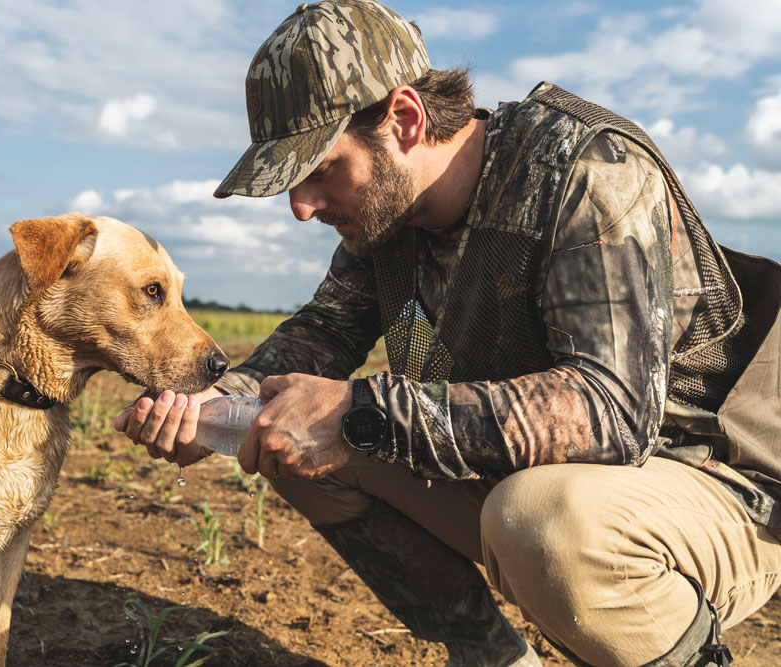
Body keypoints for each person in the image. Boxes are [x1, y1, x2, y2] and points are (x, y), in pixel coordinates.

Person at [114, 1, 781, 665]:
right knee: (284, 427)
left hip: (716, 483)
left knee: (540, 518)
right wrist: (220, 404)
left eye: (320, 170)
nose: (301, 207)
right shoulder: (387, 220)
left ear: (405, 119)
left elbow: (612, 412)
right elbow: (325, 331)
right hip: (548, 480)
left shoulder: (586, 168)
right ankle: (491, 656)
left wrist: (365, 409)